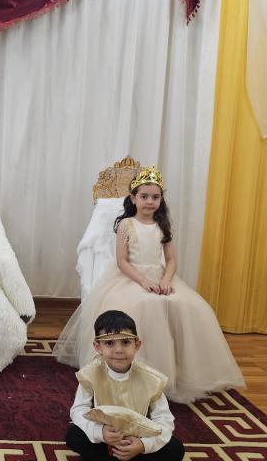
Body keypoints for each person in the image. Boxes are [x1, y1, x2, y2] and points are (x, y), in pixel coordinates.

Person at [54, 166, 244, 403]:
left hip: (161, 278)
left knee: (190, 306)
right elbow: (122, 261)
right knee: (143, 305)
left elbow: (171, 259)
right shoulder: (126, 225)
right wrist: (143, 281)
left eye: (155, 197)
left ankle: (175, 372)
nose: (150, 202)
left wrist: (165, 281)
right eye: (144, 196)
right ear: (133, 198)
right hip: (132, 278)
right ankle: (132, 370)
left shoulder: (162, 225)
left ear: (161, 200)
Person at [65, 310, 185, 461]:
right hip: (106, 436)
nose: (119, 350)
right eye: (109, 343)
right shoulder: (90, 374)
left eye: (126, 342)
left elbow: (164, 419)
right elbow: (78, 410)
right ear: (97, 346)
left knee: (176, 450)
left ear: (137, 345)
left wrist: (143, 445)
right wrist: (100, 433)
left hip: (138, 436)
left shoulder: (151, 379)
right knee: (73, 436)